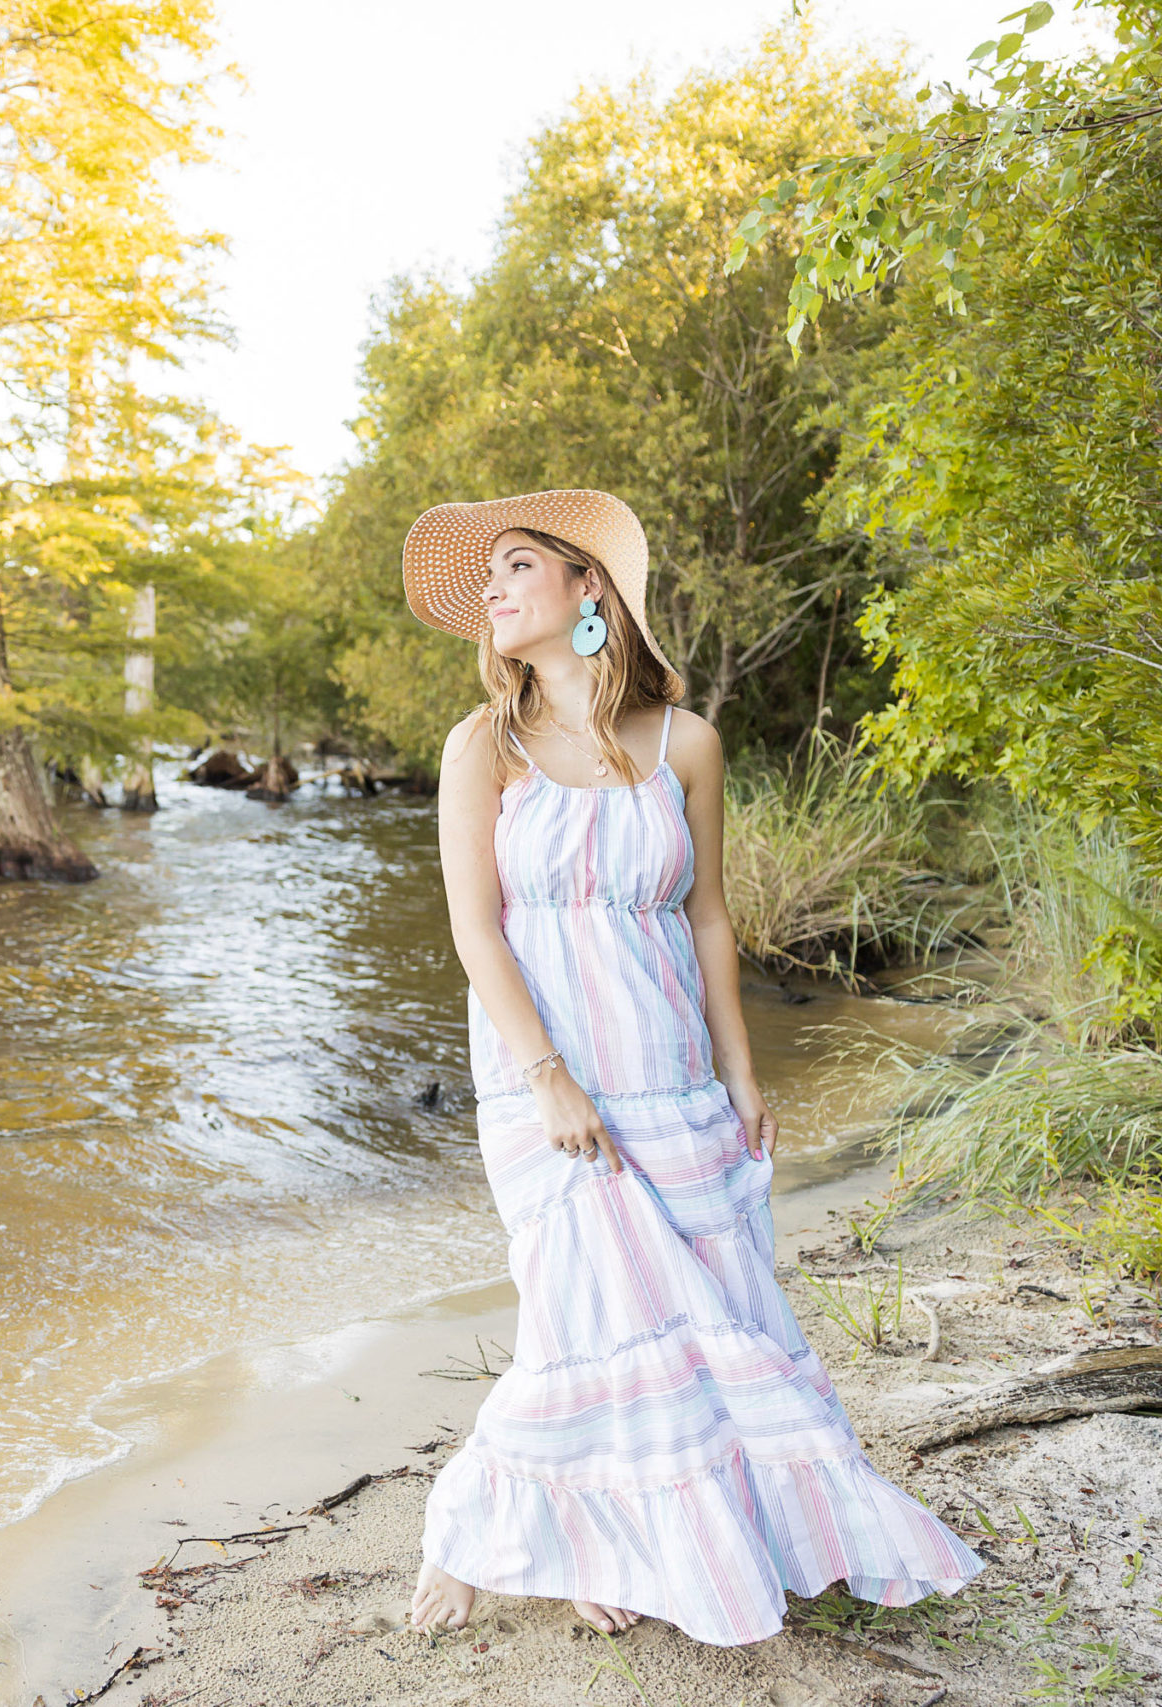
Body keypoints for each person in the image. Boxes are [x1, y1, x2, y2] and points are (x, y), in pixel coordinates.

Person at [399, 489, 981, 1645]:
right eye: (489, 575)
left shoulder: (686, 743)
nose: (493, 588)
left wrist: (743, 1069)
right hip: (545, 1074)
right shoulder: (484, 747)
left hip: (667, 1071)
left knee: (700, 1311)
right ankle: (475, 1534)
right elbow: (475, 930)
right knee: (583, 1308)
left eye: (519, 565)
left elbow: (709, 918)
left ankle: (623, 1531)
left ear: (589, 590)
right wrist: (548, 1076)